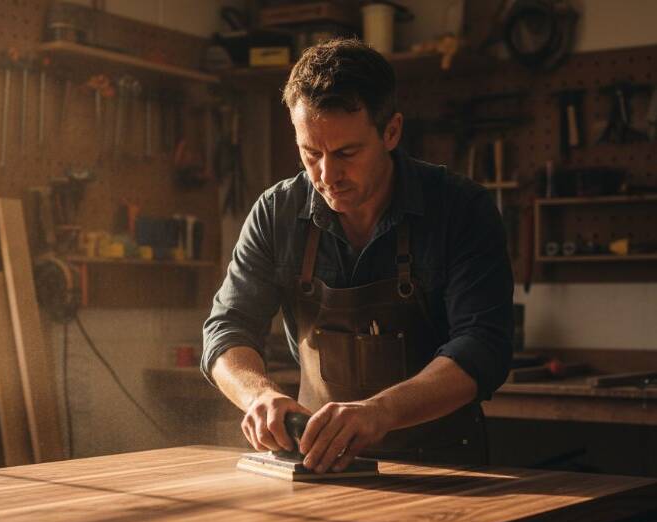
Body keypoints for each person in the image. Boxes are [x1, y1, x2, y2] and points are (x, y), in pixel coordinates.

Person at [202, 39, 514, 474]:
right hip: (320, 466)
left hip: (444, 470)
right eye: (311, 153)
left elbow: (485, 346)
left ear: (391, 131)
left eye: (346, 153)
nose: (327, 176)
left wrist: (380, 411)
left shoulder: (461, 210)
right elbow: (226, 328)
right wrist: (259, 396)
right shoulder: (277, 213)